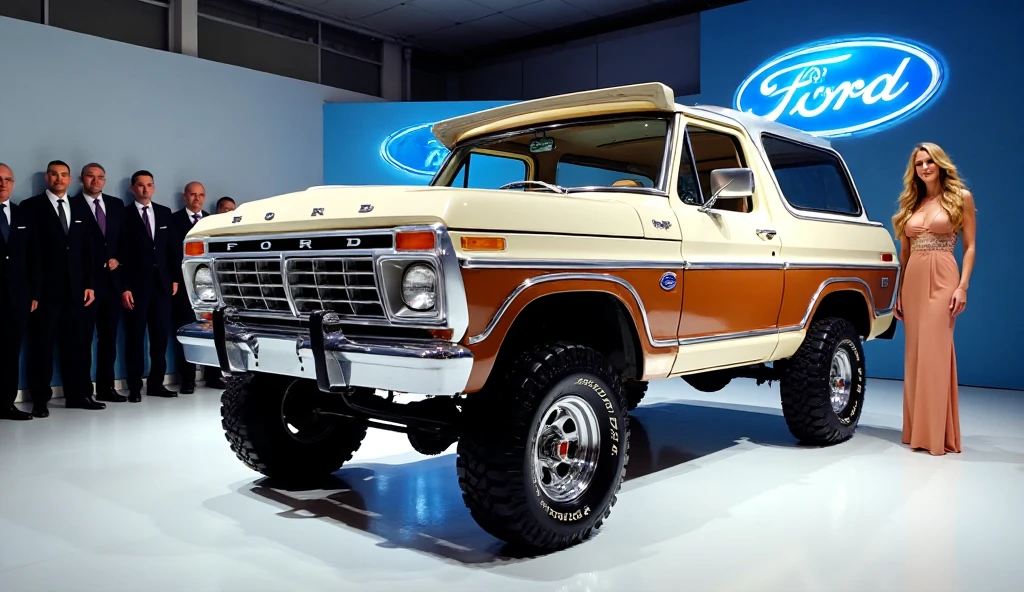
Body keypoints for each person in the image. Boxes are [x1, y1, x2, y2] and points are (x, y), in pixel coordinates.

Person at [892, 142, 977, 456]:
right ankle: (917, 431)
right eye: (919, 163)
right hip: (913, 281)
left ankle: (937, 434)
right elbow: (904, 253)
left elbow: (970, 246)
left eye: (929, 161)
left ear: (940, 164)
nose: (925, 167)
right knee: (915, 355)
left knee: (936, 355)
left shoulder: (961, 198)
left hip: (943, 277)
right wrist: (899, 292)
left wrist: (962, 287)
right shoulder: (911, 203)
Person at [21, 160, 103, 417]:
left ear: (70, 179)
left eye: (64, 175)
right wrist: (33, 291)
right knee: (41, 347)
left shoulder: (80, 206)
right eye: (55, 174)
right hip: (44, 293)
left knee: (78, 346)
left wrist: (90, 284)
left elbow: (90, 249)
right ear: (48, 178)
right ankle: (40, 400)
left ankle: (78, 395)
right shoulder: (31, 207)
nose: (59, 179)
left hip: (78, 292)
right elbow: (27, 252)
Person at [119, 170, 178, 402]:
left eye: (149, 184)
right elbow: (120, 253)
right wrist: (124, 287)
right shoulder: (124, 215)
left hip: (162, 286)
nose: (145, 189)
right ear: (132, 188)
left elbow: (172, 249)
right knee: (135, 338)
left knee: (160, 338)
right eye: (141, 185)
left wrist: (174, 279)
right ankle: (134, 387)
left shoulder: (164, 213)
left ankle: (156, 384)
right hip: (135, 287)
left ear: (154, 187)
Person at [76, 163, 128, 403]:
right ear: (82, 179)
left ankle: (107, 388)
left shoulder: (116, 205)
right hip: (86, 284)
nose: (95, 181)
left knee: (108, 339)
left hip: (112, 284)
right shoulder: (73, 205)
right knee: (83, 340)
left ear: (105, 181)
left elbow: (126, 240)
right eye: (90, 176)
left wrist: (119, 259)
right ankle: (83, 391)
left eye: (100, 177)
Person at [0, 163, 40, 420]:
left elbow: (34, 257)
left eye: (7, 179)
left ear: (13, 184)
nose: (2, 184)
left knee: (10, 352)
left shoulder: (23, 215)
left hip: (17, 297)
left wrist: (34, 293)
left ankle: (6, 404)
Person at [171, 181, 208, 394]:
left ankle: (213, 376)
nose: (197, 198)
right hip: (184, 287)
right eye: (193, 194)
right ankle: (187, 380)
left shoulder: (212, 220)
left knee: (212, 330)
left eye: (200, 195)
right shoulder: (173, 220)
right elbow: (171, 253)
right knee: (185, 331)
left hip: (209, 288)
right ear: (185, 197)